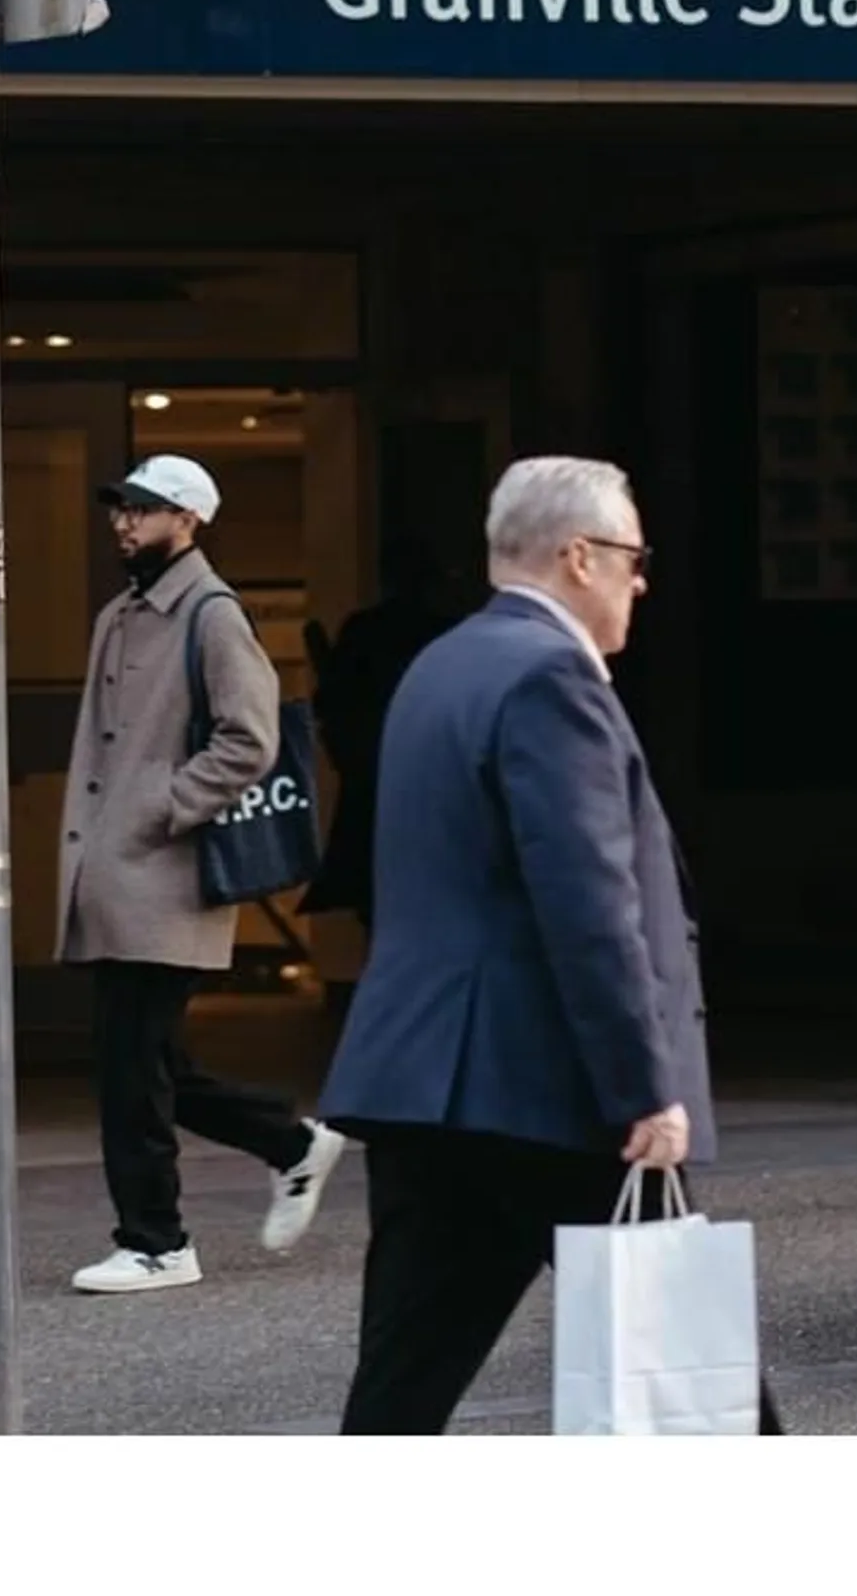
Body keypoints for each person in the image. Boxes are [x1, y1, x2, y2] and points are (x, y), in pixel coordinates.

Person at [322, 455, 779, 1435]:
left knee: (399, 1390)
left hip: (424, 1084)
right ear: (579, 556)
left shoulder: (439, 667)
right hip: (551, 1090)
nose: (641, 580)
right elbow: (586, 901)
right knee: (701, 1399)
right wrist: (642, 1086)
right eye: (632, 556)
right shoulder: (549, 678)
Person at [54, 452, 350, 1296]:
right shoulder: (122, 613)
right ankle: (291, 1144)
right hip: (118, 874)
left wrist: (161, 806)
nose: (124, 522)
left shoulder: (211, 615)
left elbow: (250, 740)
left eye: (143, 510)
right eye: (121, 508)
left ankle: (156, 1240)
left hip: (164, 877)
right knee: (147, 1063)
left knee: (133, 1071)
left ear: (188, 521)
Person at [300, 529, 456, 936]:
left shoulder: (371, 631)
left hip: (381, 783)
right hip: (425, 786)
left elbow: (334, 701)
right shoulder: (441, 634)